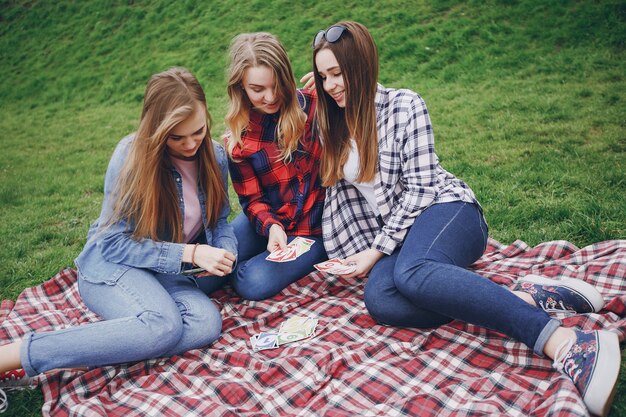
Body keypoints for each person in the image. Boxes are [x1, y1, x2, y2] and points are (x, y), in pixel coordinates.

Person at [311, 21, 620, 417]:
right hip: (404, 234)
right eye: (323, 77)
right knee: (381, 300)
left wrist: (375, 251)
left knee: (412, 273)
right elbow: (288, 106)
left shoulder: (405, 105)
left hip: (449, 212)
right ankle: (528, 298)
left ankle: (564, 342)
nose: (331, 84)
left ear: (361, 65)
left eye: (338, 73)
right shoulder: (331, 122)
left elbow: (422, 190)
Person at [0, 67, 237, 392]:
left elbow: (221, 220)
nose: (190, 144)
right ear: (156, 129)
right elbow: (112, 244)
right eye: (176, 137)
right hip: (111, 265)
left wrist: (227, 252)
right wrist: (191, 252)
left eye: (197, 131)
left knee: (206, 323)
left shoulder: (216, 156)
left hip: (166, 273)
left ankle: (104, 347)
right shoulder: (130, 158)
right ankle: (10, 358)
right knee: (164, 326)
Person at [224, 32, 327, 301]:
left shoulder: (316, 105)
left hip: (312, 228)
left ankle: (246, 267)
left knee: (252, 282)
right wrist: (271, 227)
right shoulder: (240, 137)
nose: (270, 97)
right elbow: (252, 199)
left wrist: (336, 85)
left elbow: (370, 107)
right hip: (269, 220)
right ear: (241, 87)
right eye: (257, 89)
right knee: (206, 267)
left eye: (276, 85)